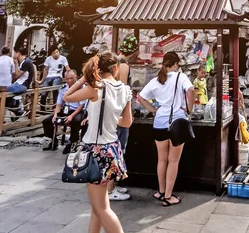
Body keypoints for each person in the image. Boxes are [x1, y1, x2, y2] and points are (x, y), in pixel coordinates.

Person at [63, 51, 132, 233]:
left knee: (102, 208)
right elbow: (126, 122)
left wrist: (82, 79)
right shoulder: (125, 90)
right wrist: (110, 118)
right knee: (97, 207)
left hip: (95, 150)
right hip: (112, 149)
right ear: (115, 68)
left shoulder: (96, 87)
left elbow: (67, 97)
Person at [137, 51, 195, 207]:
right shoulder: (180, 76)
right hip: (178, 122)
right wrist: (189, 110)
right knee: (173, 160)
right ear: (176, 64)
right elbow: (191, 91)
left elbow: (140, 97)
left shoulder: (156, 80)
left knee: (161, 159)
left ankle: (161, 191)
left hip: (160, 122)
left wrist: (153, 110)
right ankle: (168, 196)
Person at [109, 34, 140, 201]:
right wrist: (127, 112)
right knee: (118, 149)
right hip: (119, 114)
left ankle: (114, 186)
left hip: (114, 112)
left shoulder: (115, 62)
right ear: (133, 51)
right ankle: (110, 189)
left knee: (117, 149)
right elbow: (121, 89)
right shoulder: (124, 65)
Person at [42, 69, 85, 153]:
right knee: (47, 121)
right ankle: (53, 140)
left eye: (72, 78)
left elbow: (81, 105)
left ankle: (73, 141)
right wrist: (55, 115)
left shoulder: (82, 88)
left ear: (76, 77)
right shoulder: (63, 88)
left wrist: (71, 116)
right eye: (67, 79)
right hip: (66, 109)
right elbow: (59, 103)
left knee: (76, 120)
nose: (69, 80)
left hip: (77, 110)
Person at [7, 47, 36, 116]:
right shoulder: (24, 62)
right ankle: (17, 108)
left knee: (3, 90)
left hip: (22, 85)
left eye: (15, 52)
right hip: (18, 83)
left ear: (18, 53)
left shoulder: (26, 62)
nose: (14, 54)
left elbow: (17, 76)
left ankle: (18, 105)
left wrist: (16, 63)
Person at [40, 47, 70, 111]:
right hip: (49, 76)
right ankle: (42, 109)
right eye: (54, 53)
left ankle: (55, 108)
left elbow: (67, 68)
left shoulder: (63, 58)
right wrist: (42, 80)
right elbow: (45, 70)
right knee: (44, 92)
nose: (56, 54)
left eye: (57, 52)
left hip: (58, 76)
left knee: (55, 90)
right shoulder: (48, 59)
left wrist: (69, 77)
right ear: (51, 54)